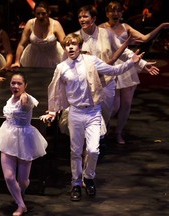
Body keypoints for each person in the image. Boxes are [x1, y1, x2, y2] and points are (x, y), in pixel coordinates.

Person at [40, 33, 145, 202]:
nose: (71, 47)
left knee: (93, 149)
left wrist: (131, 63)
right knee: (75, 151)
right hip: (75, 112)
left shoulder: (91, 61)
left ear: (80, 47)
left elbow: (113, 70)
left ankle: (88, 177)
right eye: (68, 45)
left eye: (74, 44)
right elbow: (55, 91)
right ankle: (75, 183)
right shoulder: (62, 67)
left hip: (93, 112)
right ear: (65, 48)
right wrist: (53, 111)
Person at [74, 5, 159, 142]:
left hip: (106, 82)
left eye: (85, 16)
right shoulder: (76, 37)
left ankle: (103, 137)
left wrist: (142, 64)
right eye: (80, 17)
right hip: (86, 83)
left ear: (94, 18)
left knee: (107, 113)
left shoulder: (106, 33)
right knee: (89, 115)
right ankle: (91, 144)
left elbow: (124, 52)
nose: (82, 19)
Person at [99, 1, 169, 144]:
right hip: (110, 67)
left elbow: (145, 38)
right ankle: (103, 128)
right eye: (112, 11)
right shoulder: (101, 28)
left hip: (127, 66)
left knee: (126, 103)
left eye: (118, 11)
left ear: (122, 13)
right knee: (113, 106)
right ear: (107, 13)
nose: (115, 13)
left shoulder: (126, 27)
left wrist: (161, 26)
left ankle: (118, 133)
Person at [0, 72, 48, 216]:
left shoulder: (26, 98)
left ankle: (20, 195)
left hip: (24, 139)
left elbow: (26, 99)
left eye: (19, 84)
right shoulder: (10, 99)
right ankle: (21, 205)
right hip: (8, 136)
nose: (15, 86)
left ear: (25, 85)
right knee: (9, 177)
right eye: (13, 83)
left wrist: (25, 96)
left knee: (23, 180)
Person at [11, 1, 65, 68]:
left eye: (43, 13)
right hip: (33, 57)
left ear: (49, 12)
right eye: (38, 14)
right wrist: (17, 61)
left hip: (53, 57)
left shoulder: (55, 24)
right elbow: (21, 44)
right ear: (34, 13)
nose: (40, 16)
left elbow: (64, 44)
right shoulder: (30, 23)